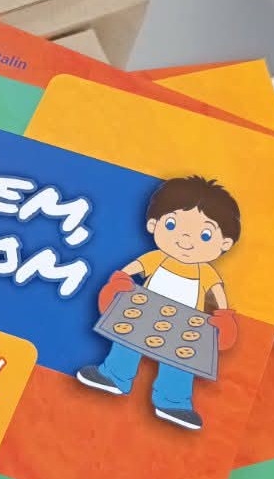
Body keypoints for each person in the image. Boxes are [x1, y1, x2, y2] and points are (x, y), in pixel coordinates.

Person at [76, 176, 240, 431]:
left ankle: (173, 401)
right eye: (172, 224)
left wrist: (225, 318)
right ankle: (114, 376)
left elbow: (218, 294)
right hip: (143, 311)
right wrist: (118, 283)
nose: (186, 240)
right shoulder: (156, 258)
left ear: (225, 243)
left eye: (205, 235)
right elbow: (130, 270)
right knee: (126, 340)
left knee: (181, 361)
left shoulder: (206, 273)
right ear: (153, 224)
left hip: (187, 324)